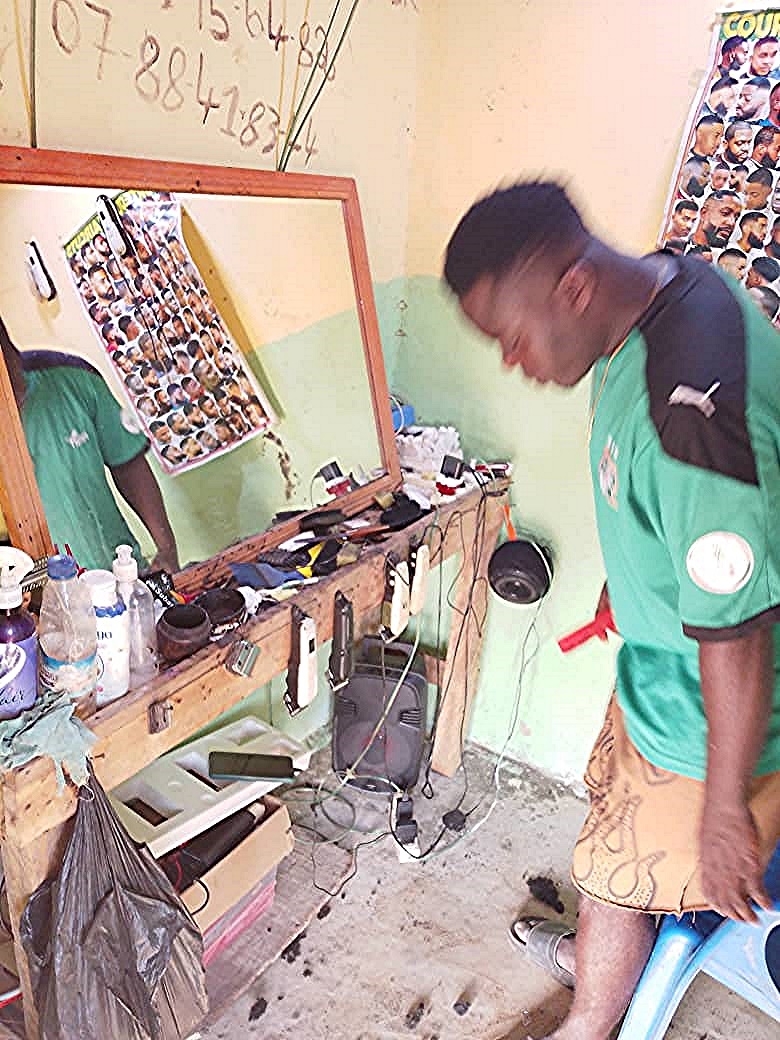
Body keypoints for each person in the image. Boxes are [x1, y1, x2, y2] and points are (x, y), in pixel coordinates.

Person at [444, 181, 780, 1040]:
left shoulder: (693, 413)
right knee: (607, 849)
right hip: (668, 667)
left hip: (708, 719)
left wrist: (724, 808)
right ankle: (600, 954)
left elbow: (739, 636)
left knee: (613, 876)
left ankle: (591, 1019)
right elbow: (685, 520)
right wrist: (634, 583)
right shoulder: (667, 292)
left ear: (575, 286)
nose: (512, 362)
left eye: (513, 337)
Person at [0, 314, 179, 574]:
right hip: (40, 594)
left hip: (121, 576)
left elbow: (128, 463)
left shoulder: (73, 378)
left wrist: (166, 550)